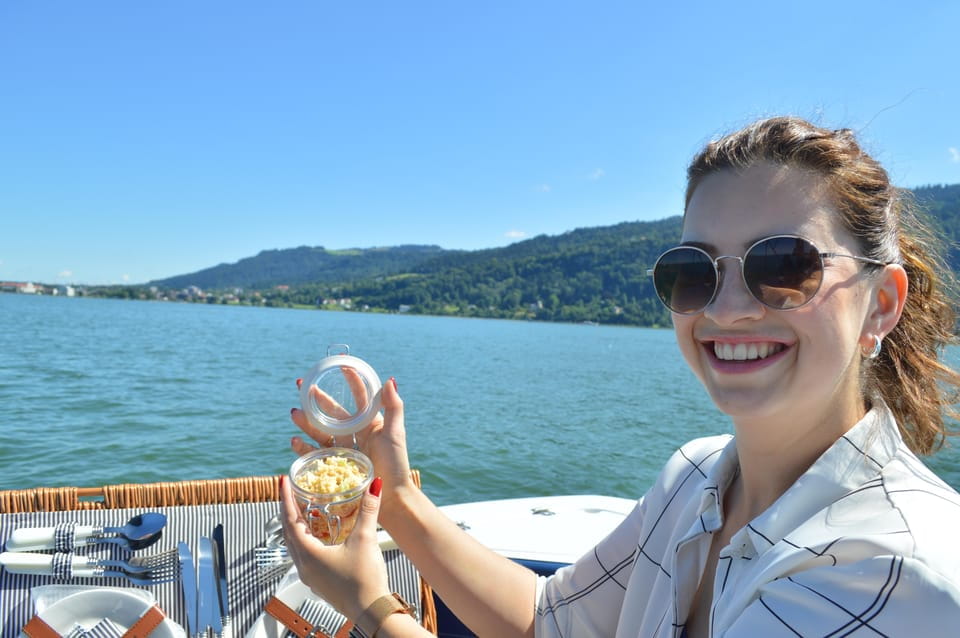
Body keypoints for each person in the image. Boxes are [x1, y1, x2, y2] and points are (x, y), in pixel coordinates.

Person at [279, 116, 960, 637]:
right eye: (694, 271)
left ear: (882, 304)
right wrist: (396, 497)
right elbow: (549, 621)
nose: (726, 309)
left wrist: (370, 604)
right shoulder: (694, 479)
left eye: (784, 266)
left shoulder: (889, 572)